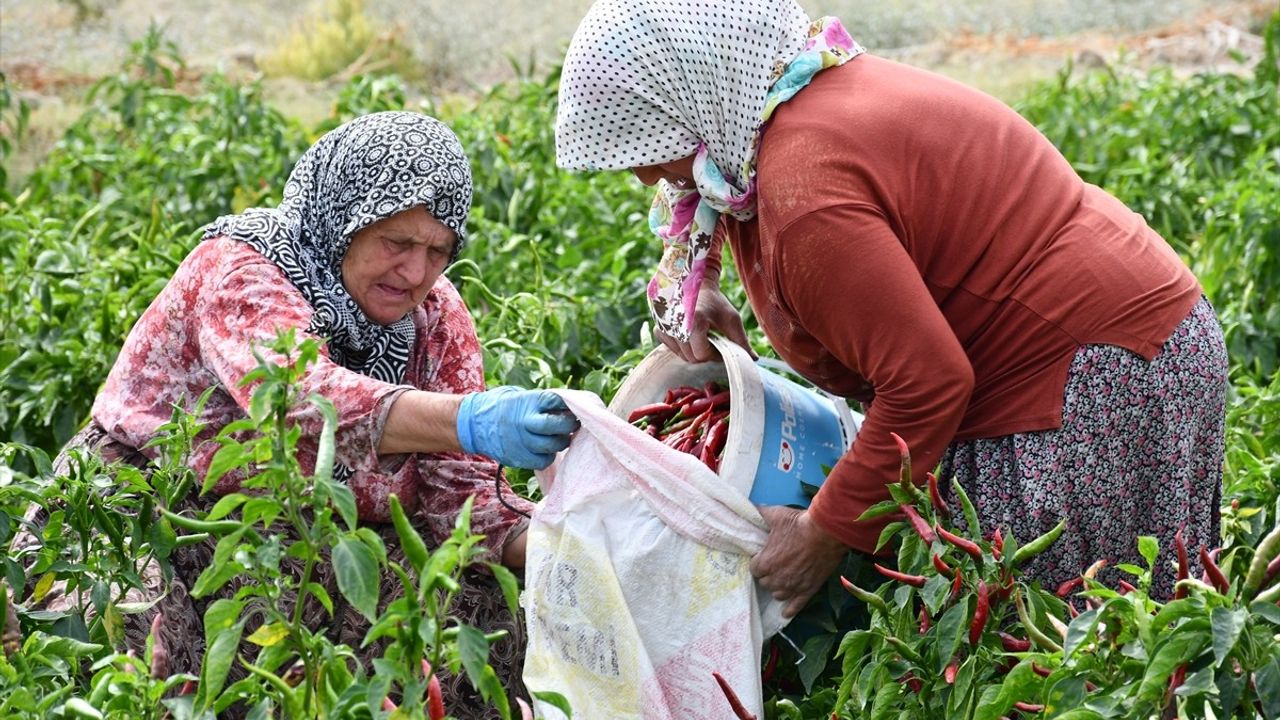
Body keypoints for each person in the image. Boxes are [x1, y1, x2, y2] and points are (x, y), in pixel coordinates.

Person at [554, 0, 1227, 614]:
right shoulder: (785, 101)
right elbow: (713, 200)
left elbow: (928, 383)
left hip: (1095, 380)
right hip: (1133, 337)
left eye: (648, 147)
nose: (643, 174)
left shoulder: (806, 196)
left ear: (698, 92)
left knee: (1086, 651)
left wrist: (823, 533)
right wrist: (693, 289)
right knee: (1122, 638)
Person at [21, 111, 577, 716]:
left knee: (475, 614)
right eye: (396, 242)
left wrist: (573, 540)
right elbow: (299, 398)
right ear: (345, 222)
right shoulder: (243, 270)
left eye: (437, 251)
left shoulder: (435, 318)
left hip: (302, 533)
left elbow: (459, 501)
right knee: (135, 661)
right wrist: (467, 419)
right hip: (146, 501)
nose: (416, 273)